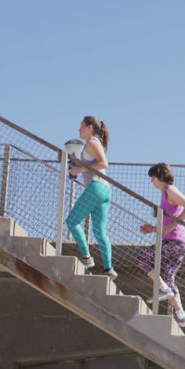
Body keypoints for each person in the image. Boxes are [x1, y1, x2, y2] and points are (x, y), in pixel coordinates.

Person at [136, 163, 185, 328]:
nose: (152, 182)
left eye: (153, 178)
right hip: (176, 242)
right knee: (169, 277)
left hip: (175, 242)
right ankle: (181, 315)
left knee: (142, 257)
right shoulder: (164, 193)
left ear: (160, 177)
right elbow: (169, 221)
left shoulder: (170, 190)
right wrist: (153, 229)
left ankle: (162, 288)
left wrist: (171, 225)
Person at [65, 116, 116, 279]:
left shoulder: (92, 142)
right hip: (105, 190)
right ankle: (109, 269)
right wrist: (77, 167)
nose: (79, 129)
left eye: (81, 126)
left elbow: (103, 163)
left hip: (96, 187)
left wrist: (78, 170)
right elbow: (92, 165)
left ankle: (86, 258)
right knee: (99, 231)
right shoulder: (93, 143)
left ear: (89, 127)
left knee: (72, 221)